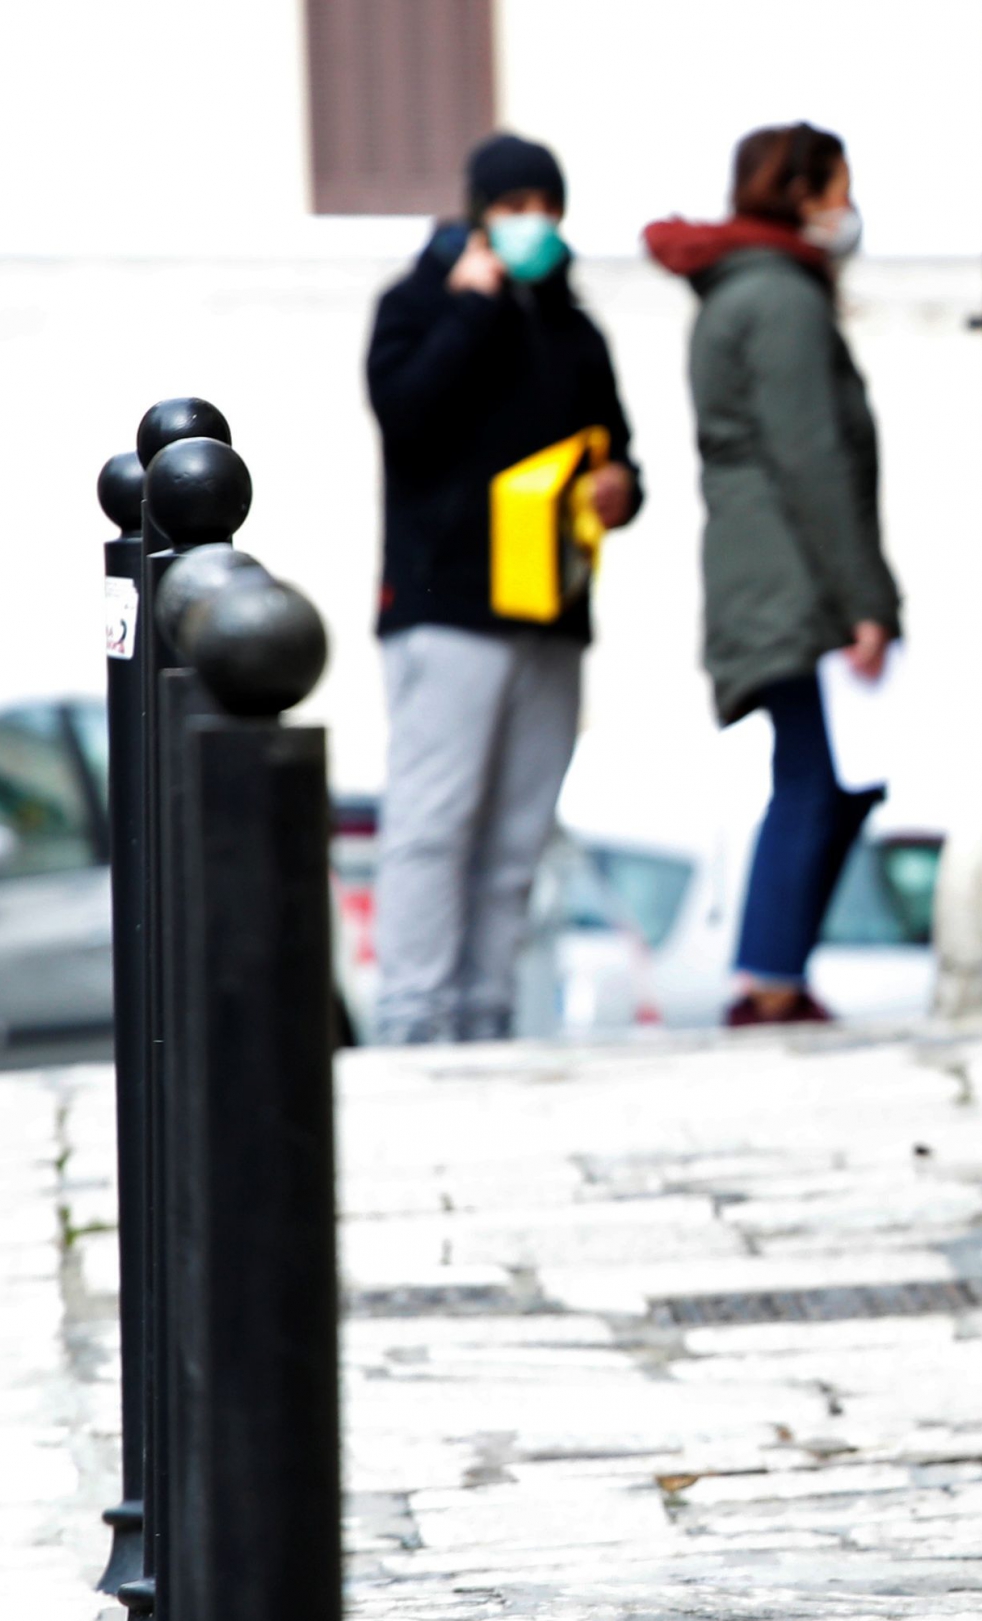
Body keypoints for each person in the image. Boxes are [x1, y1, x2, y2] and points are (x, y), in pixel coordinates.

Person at [366, 132, 642, 1044]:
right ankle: (413, 1016)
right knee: (433, 822)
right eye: (517, 206)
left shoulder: (574, 329)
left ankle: (483, 1016)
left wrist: (620, 489)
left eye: (547, 207)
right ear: (479, 212)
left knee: (518, 834)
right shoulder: (415, 306)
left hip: (551, 615)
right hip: (446, 611)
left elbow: (620, 452)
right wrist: (470, 313)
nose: (536, 225)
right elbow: (406, 418)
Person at [645, 124, 901, 1027]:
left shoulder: (746, 290)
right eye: (837, 187)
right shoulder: (781, 299)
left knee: (833, 773)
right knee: (816, 775)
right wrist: (865, 600)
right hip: (796, 577)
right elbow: (812, 457)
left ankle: (773, 972)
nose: (846, 208)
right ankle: (766, 980)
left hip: (773, 570)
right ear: (801, 194)